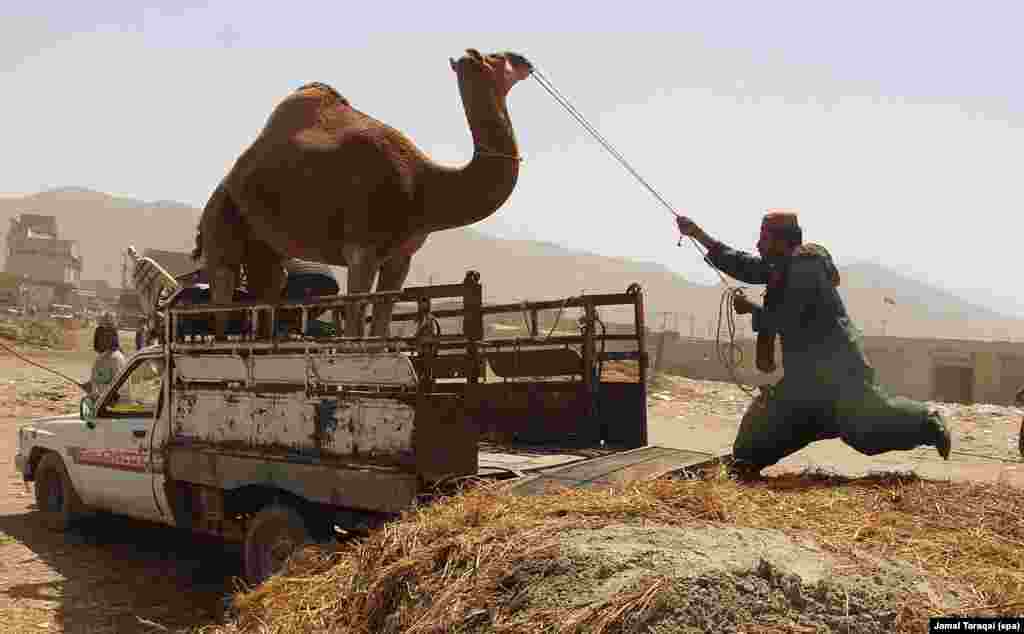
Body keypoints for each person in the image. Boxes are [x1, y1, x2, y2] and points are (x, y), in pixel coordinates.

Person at [675, 210, 951, 477]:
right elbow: (742, 264)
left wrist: (752, 309)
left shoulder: (806, 268)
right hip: (804, 383)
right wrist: (698, 234)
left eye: (764, 237)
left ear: (782, 242)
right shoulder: (780, 267)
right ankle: (746, 461)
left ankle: (927, 420)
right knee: (758, 439)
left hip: (840, 377)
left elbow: (790, 318)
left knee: (867, 435)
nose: (758, 244)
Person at [80, 313, 128, 399]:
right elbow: (99, 380)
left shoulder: (116, 359)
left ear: (113, 337)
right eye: (99, 334)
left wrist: (98, 393)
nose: (100, 338)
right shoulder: (100, 358)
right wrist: (90, 386)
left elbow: (120, 389)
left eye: (106, 335)